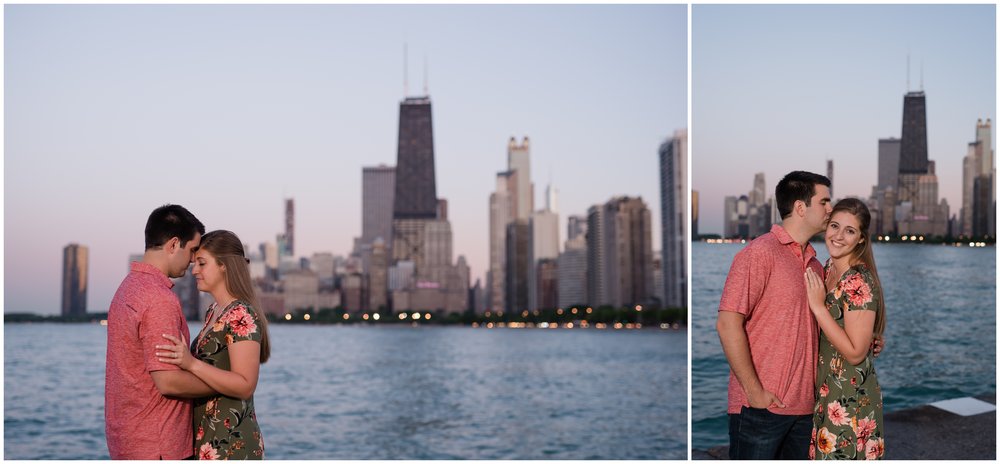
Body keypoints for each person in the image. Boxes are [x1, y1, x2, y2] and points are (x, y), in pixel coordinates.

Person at [717, 171, 832, 459]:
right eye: (825, 202)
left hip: (805, 410)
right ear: (801, 207)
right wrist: (755, 392)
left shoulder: (815, 265)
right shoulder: (759, 253)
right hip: (761, 409)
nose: (831, 209)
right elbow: (727, 323)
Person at [105, 204, 212, 459]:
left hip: (129, 441)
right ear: (174, 245)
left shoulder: (127, 288)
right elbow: (168, 381)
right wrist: (227, 384)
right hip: (159, 446)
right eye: (192, 250)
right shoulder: (158, 298)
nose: (193, 260)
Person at [156, 230, 271, 460]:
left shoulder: (242, 313)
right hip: (208, 439)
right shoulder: (213, 312)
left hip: (231, 442)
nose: (194, 270)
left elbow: (245, 385)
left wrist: (191, 364)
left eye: (201, 263)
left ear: (224, 266)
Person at [805, 198, 885, 460]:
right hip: (827, 391)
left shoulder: (858, 280)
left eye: (849, 231)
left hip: (850, 397)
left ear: (861, 239)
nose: (838, 236)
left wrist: (818, 307)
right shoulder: (827, 269)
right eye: (835, 226)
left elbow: (853, 353)